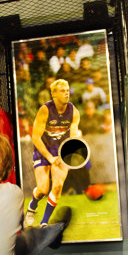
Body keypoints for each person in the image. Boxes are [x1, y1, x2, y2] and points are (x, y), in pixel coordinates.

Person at [25, 80, 81, 228]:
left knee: (58, 186)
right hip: (43, 150)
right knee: (43, 190)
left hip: (61, 151)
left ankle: (44, 222)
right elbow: (35, 137)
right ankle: (33, 205)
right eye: (62, 90)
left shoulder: (74, 111)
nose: (67, 92)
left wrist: (71, 149)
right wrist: (49, 157)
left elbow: (73, 135)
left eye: (68, 90)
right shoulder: (45, 110)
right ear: (54, 94)